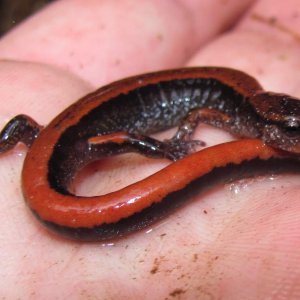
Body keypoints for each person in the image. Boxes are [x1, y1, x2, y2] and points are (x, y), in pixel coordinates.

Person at [0, 0, 299, 298]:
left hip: (58, 144)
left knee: (26, 127)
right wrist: (170, 148)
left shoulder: (245, 104)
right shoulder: (236, 113)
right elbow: (193, 116)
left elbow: (21, 124)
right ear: (265, 124)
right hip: (75, 148)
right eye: (291, 130)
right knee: (127, 140)